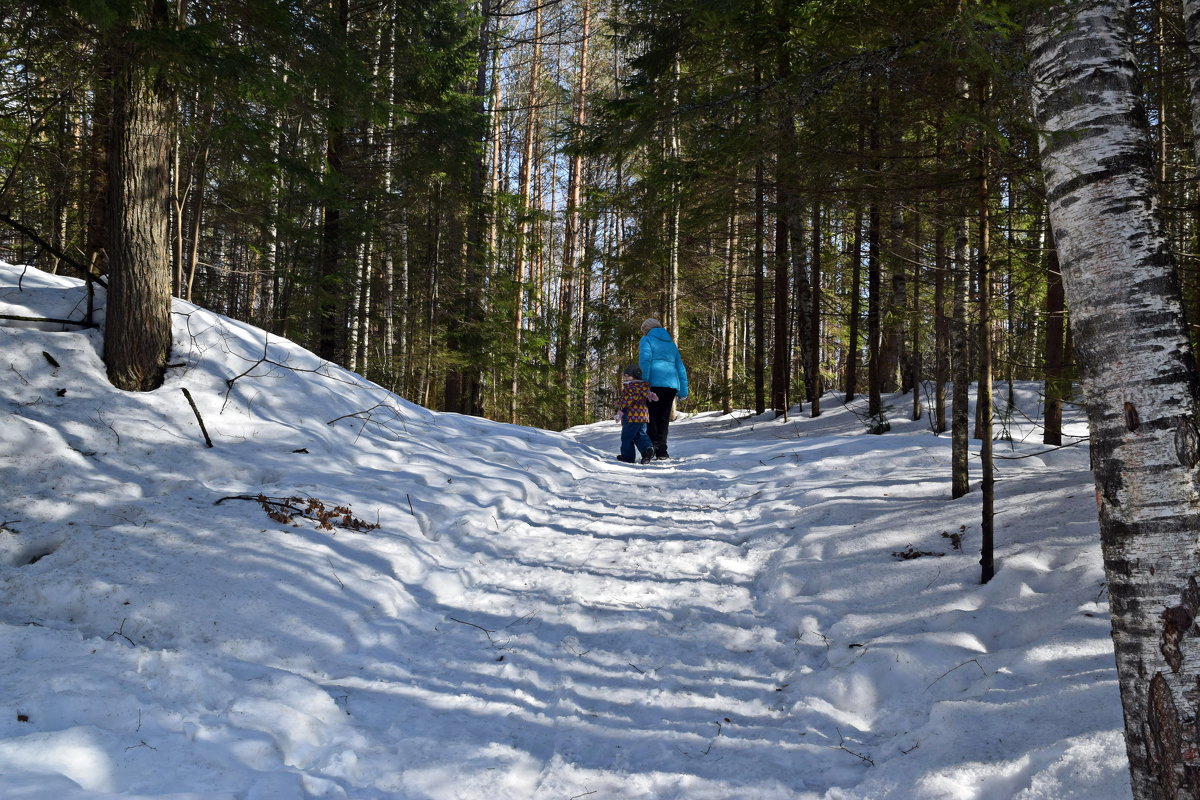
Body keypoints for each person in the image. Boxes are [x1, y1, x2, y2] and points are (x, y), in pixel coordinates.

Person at [638, 318, 689, 460]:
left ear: (646, 329)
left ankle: (654, 446)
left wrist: (644, 382)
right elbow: (680, 367)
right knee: (663, 419)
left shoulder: (646, 340)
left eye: (644, 330)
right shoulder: (671, 344)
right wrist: (683, 390)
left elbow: (645, 361)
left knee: (650, 417)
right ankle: (662, 451)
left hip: (653, 384)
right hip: (671, 386)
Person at [614, 364, 657, 464]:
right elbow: (649, 395)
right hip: (643, 416)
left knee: (627, 437)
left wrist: (620, 406)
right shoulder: (643, 386)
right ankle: (647, 450)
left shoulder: (630, 387)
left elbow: (627, 400)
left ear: (632, 377)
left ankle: (627, 457)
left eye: (626, 375)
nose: (624, 378)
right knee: (640, 435)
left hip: (631, 416)